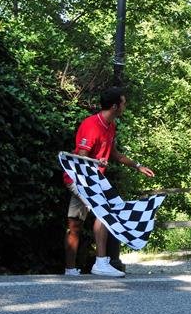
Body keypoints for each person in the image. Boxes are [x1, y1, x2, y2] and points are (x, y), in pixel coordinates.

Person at [63, 87, 155, 277]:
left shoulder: (110, 126)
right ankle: (101, 263)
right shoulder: (91, 125)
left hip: (92, 180)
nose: (125, 106)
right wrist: (97, 163)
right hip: (80, 179)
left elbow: (115, 154)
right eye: (123, 103)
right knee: (104, 211)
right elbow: (81, 158)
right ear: (115, 106)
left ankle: (70, 270)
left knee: (75, 223)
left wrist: (138, 166)